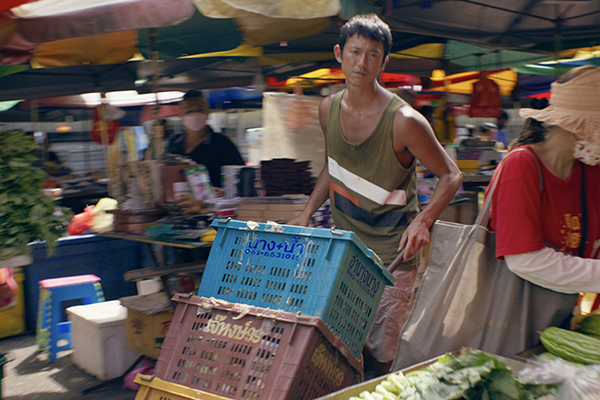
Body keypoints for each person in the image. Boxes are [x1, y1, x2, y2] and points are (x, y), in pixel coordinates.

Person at [288, 14, 463, 376]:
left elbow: (451, 175)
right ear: (339, 53)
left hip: (392, 261)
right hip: (344, 255)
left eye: (372, 54)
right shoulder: (327, 109)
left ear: (384, 61)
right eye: (355, 51)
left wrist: (423, 220)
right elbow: (332, 166)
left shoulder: (405, 121)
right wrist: (306, 213)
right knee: (340, 351)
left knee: (381, 361)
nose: (361, 62)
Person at [485, 65, 600, 301]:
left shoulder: (590, 168)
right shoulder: (520, 166)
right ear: (573, 127)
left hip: (567, 310)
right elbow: (524, 259)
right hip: (513, 316)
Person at [166, 90, 245, 188]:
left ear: (208, 114)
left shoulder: (221, 143)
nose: (194, 115)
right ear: (181, 116)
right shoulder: (174, 143)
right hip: (179, 201)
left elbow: (240, 176)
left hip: (214, 201)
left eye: (199, 110)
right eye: (189, 111)